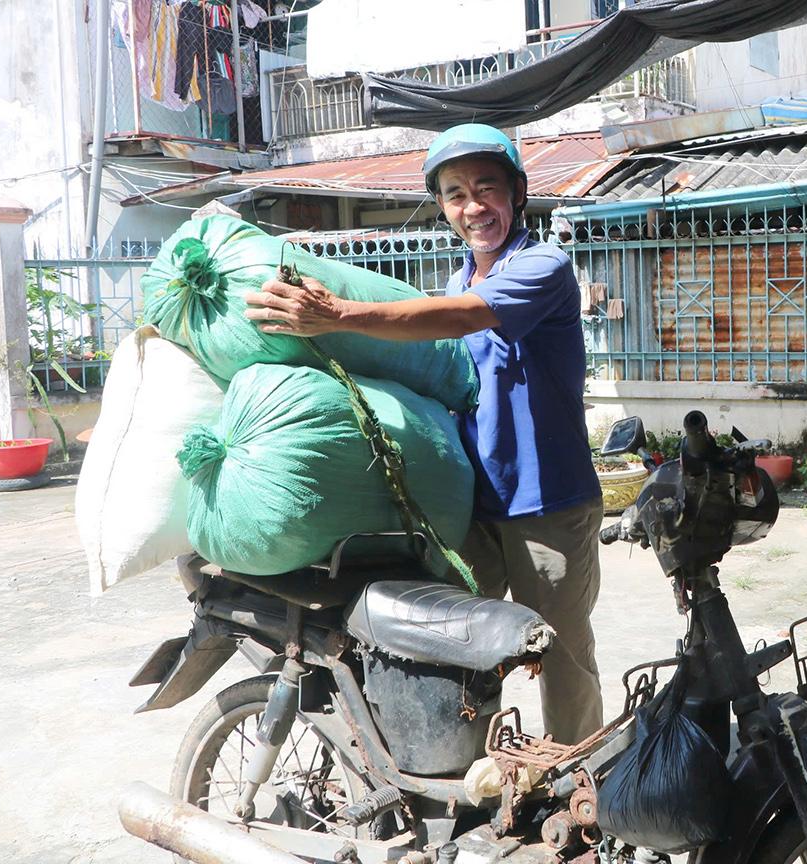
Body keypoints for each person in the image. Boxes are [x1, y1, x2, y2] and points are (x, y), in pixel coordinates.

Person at [243, 123, 604, 745]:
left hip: (549, 503)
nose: (474, 207)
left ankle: (583, 794)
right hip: (470, 506)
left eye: (487, 189)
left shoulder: (542, 265)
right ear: (442, 207)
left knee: (561, 657)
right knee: (458, 648)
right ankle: (482, 781)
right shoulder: (454, 281)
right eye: (456, 193)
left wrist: (338, 317)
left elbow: (465, 317)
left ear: (517, 193)